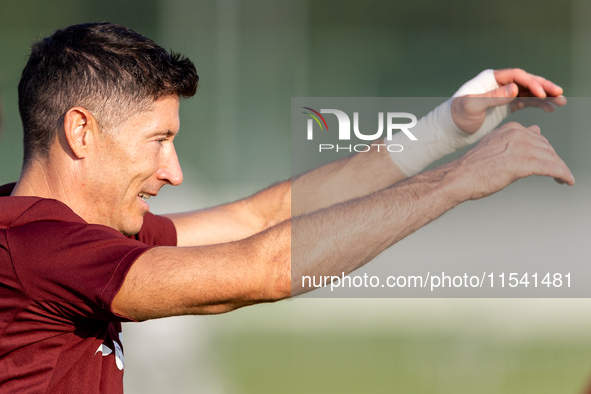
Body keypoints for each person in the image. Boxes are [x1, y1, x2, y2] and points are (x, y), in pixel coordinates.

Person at [0, 22, 573, 393]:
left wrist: (446, 127)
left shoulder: (69, 236)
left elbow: (261, 217)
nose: (173, 171)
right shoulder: (39, 248)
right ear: (81, 131)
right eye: (158, 141)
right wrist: (460, 180)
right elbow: (265, 269)